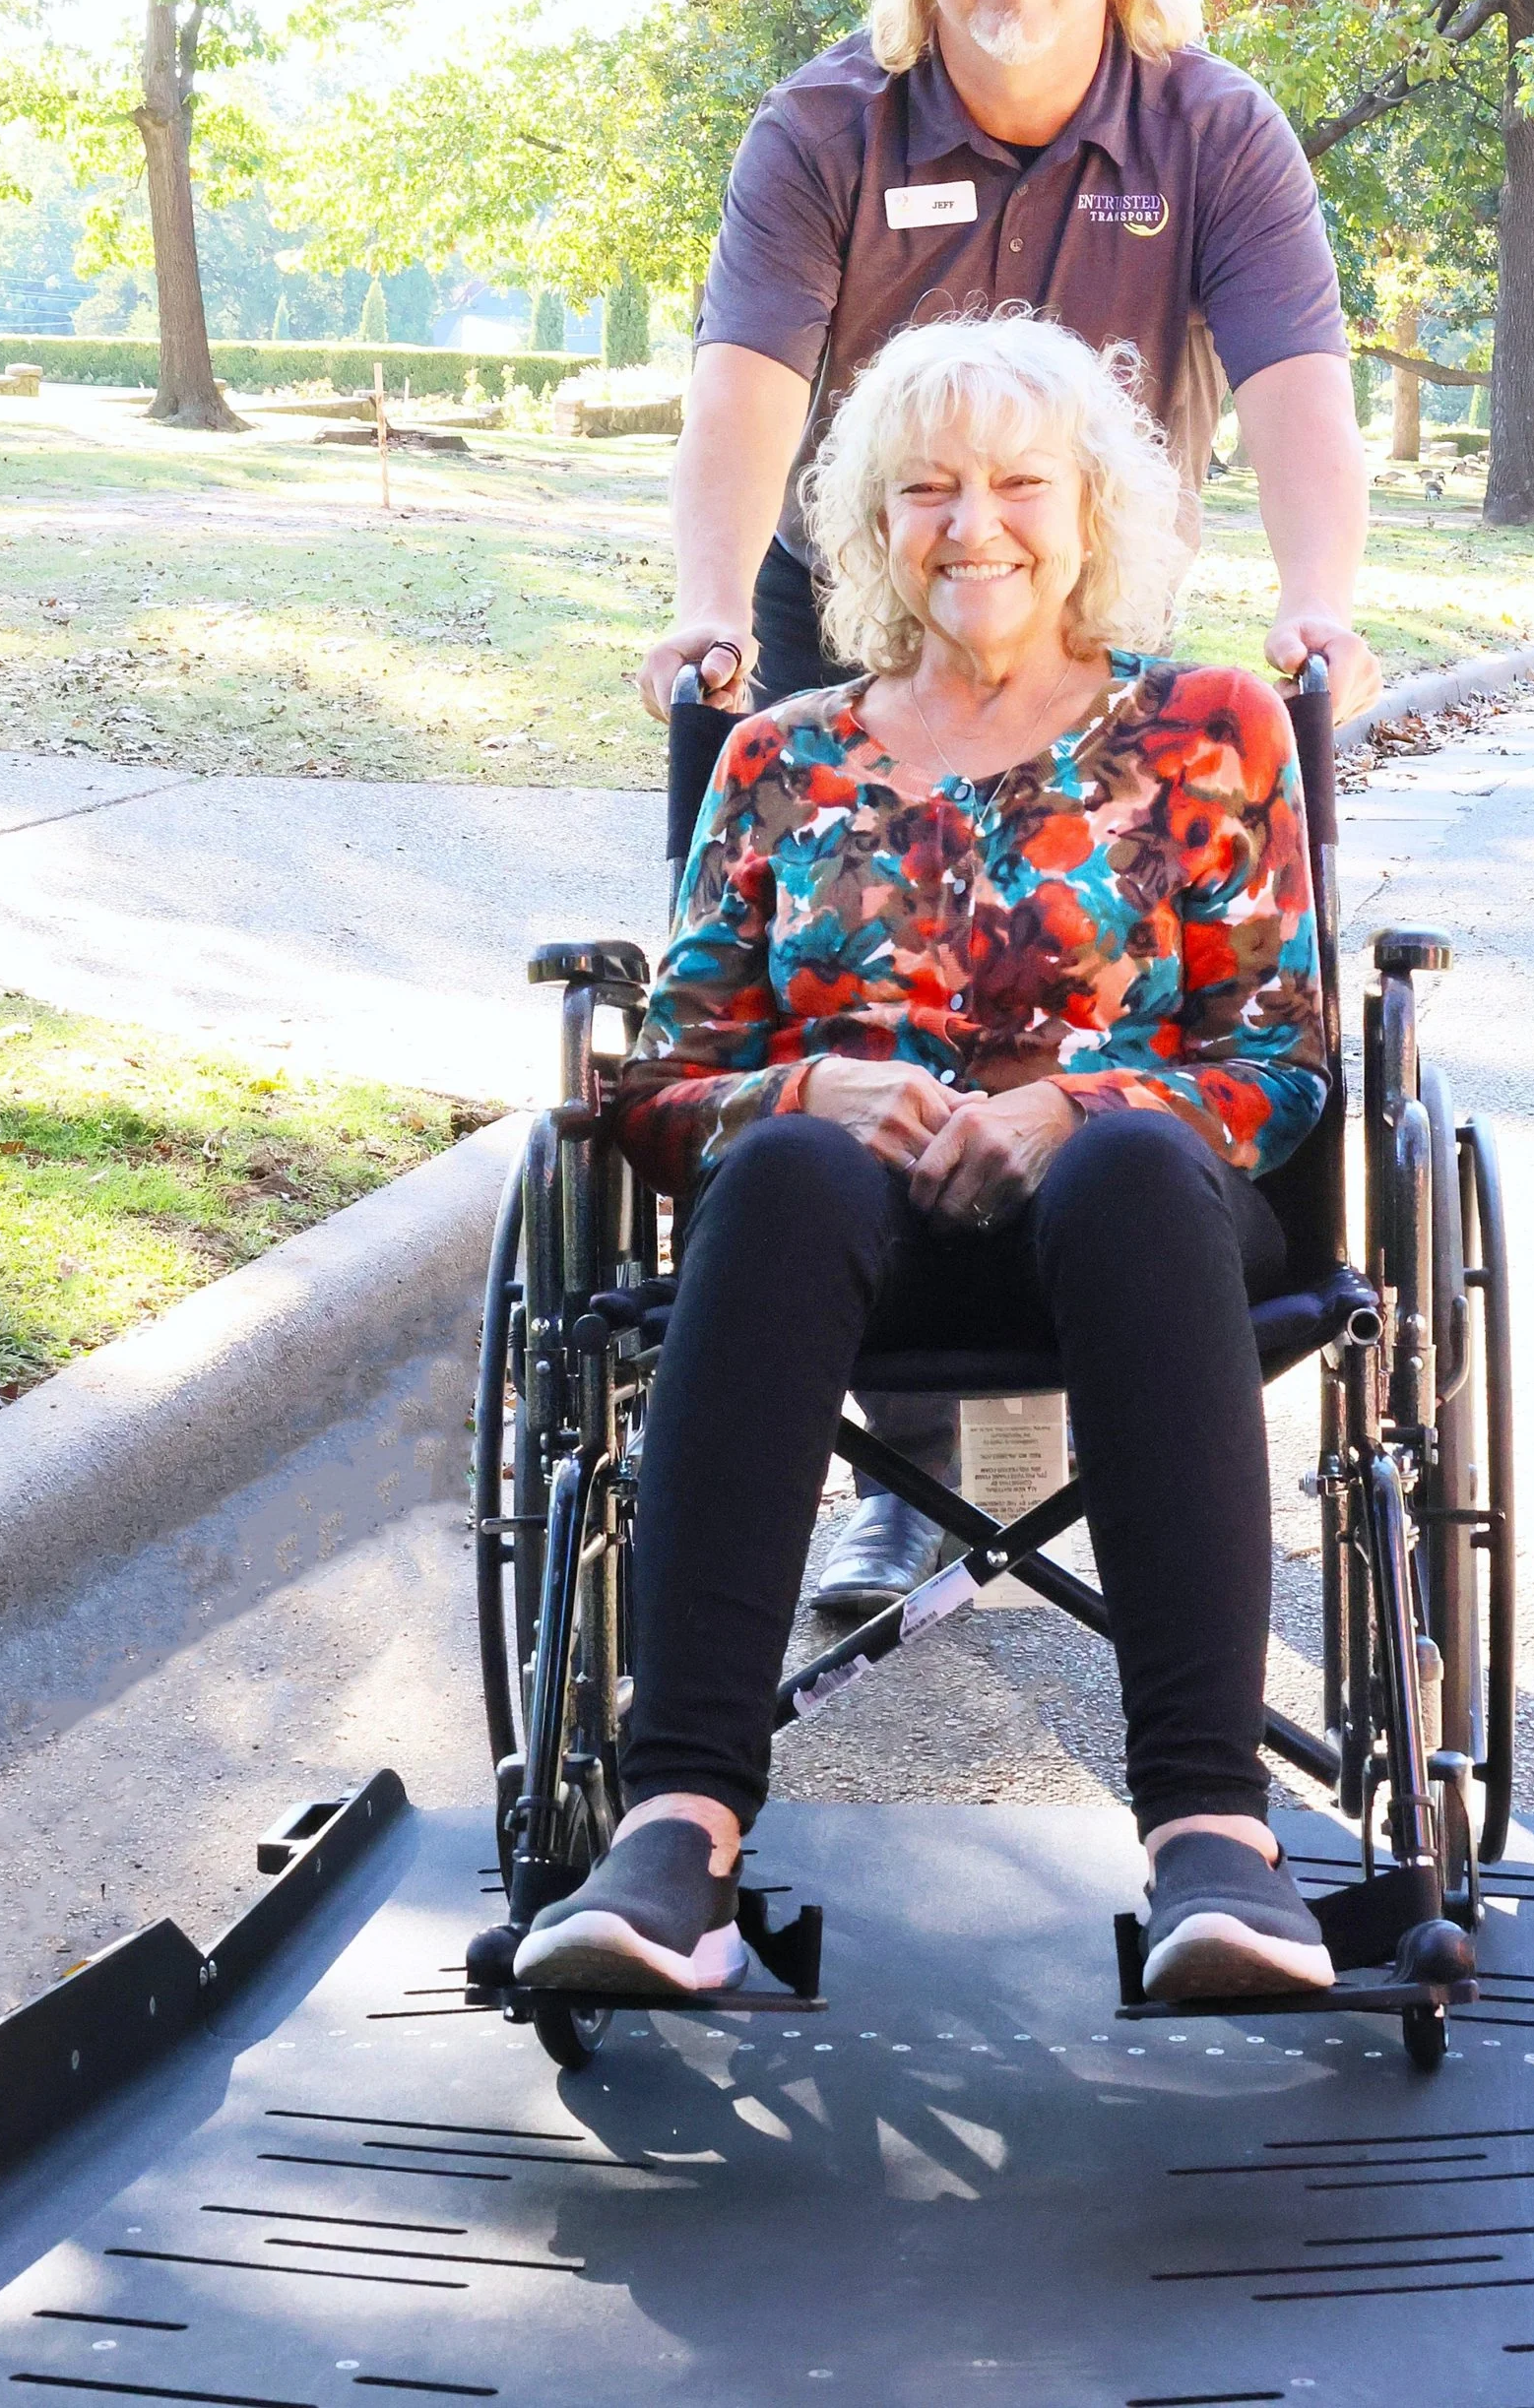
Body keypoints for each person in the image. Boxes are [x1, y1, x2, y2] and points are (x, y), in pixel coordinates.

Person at [637, 0, 1376, 1612]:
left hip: (1093, 592)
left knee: (1087, 980)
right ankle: (904, 1457)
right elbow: (747, 391)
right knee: (858, 1004)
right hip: (864, 580)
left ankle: (1112, 1375)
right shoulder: (827, 128)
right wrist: (714, 607)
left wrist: (1319, 602)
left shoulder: (1214, 128)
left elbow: (1296, 379)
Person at [517, 318, 1337, 2005]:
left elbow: (1285, 1057)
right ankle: (675, 1835)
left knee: (1116, 1172)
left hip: (1144, 1223)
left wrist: (1086, 1105)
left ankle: (1215, 1841)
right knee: (791, 1169)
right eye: (927, 490)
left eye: (1020, 482)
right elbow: (667, 1080)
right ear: (871, 528)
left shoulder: (1208, 726)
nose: (976, 525)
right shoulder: (780, 759)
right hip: (837, 1243)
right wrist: (803, 1086)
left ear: (1094, 509)